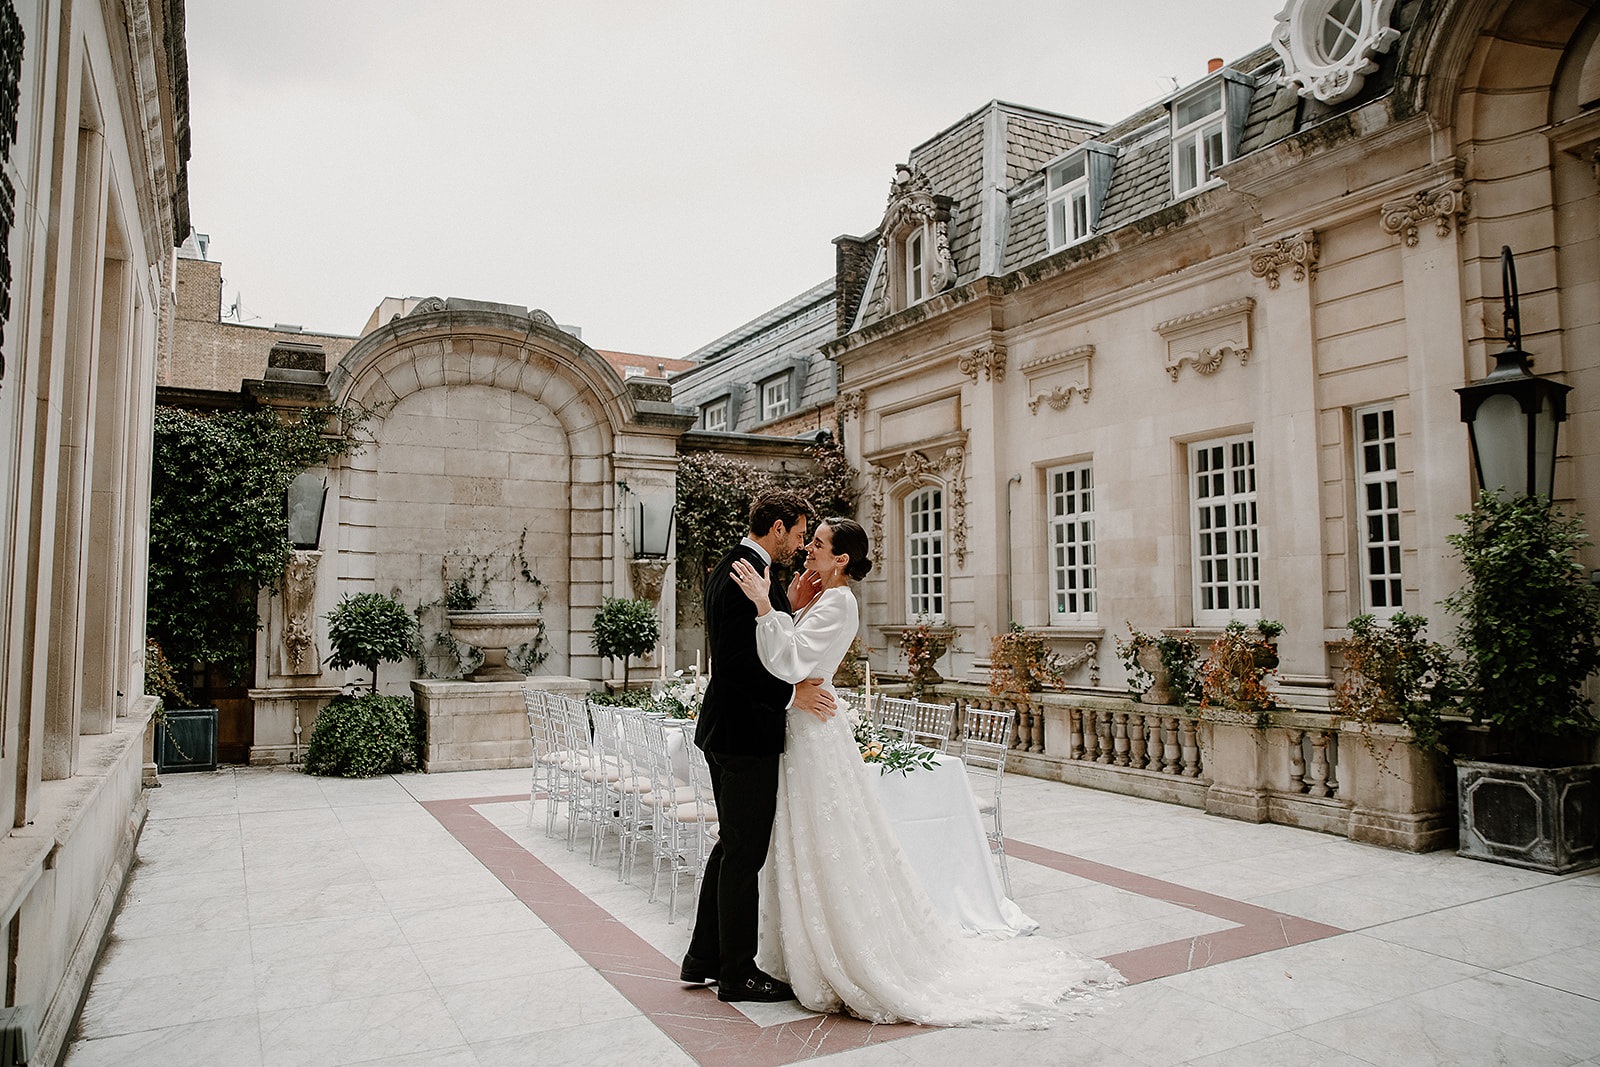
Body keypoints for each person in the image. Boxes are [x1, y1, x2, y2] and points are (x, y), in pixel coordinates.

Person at [728, 517, 1122, 1026]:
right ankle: (803, 946)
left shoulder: (841, 602)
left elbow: (789, 664)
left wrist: (765, 605)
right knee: (812, 838)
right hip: (806, 727)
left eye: (819, 545)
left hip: (813, 730)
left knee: (828, 838)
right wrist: (793, 607)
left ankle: (846, 951)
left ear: (841, 558)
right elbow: (793, 656)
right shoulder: (825, 599)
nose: (808, 551)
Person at [681, 490, 838, 1003]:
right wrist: (793, 693)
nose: (799, 544)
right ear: (775, 528)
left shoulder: (737, 564)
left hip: (727, 729)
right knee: (744, 853)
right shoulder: (745, 572)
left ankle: (703, 958)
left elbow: (755, 645)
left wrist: (783, 609)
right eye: (797, 533)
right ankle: (737, 973)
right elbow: (736, 662)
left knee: (731, 847)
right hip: (744, 735)